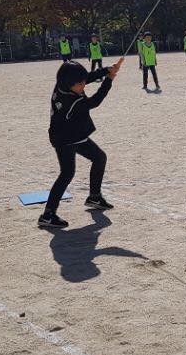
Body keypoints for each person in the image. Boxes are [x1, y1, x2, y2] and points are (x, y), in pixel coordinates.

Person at [40, 58, 123, 228]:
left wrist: (106, 70)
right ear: (70, 84)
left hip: (74, 134)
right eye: (80, 84)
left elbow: (87, 78)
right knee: (67, 173)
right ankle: (48, 214)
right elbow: (95, 101)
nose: (83, 86)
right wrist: (109, 79)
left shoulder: (62, 84)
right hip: (64, 139)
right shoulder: (71, 101)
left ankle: (94, 197)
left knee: (99, 158)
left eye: (82, 82)